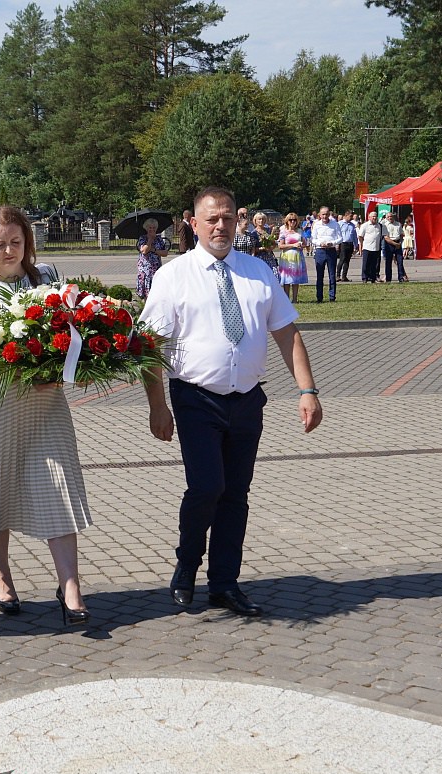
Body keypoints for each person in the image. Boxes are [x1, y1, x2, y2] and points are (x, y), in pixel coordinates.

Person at [139, 187, 323, 618]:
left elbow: (286, 333)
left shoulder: (258, 271)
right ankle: (187, 565)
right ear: (194, 224)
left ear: (236, 221)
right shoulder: (174, 276)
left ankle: (224, 583)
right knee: (207, 487)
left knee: (236, 494)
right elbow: (149, 345)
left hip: (247, 401)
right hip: (195, 399)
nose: (220, 226)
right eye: (211, 219)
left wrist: (308, 390)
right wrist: (156, 406)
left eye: (226, 218)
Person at [0, 205, 92, 625]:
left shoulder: (46, 279)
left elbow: (69, 336)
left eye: (15, 242)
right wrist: (26, 372)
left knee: (60, 488)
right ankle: (0, 574)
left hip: (46, 407)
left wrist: (64, 368)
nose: (8, 250)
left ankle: (71, 589)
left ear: (27, 242)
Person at [311, 206, 342, 302]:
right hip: (320, 251)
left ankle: (332, 297)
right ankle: (319, 297)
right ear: (320, 215)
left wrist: (332, 243)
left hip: (331, 251)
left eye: (326, 214)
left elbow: (340, 238)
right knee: (320, 275)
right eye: (323, 214)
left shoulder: (335, 224)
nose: (325, 216)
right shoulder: (316, 225)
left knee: (332, 275)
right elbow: (313, 239)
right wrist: (320, 243)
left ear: (329, 214)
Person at [136, 216, 170, 299]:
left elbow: (165, 253)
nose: (152, 229)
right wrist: (150, 239)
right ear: (146, 228)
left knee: (156, 294)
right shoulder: (142, 238)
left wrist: (154, 250)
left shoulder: (159, 239)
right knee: (147, 295)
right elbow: (144, 251)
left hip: (156, 269)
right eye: (150, 227)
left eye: (154, 227)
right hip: (145, 270)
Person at [276, 213, 308, 302]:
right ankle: (286, 299)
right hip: (287, 257)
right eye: (290, 220)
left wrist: (302, 245)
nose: (292, 222)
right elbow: (280, 246)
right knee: (287, 278)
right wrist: (293, 245)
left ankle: (295, 299)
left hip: (297, 256)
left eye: (294, 220)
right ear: (287, 221)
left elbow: (305, 243)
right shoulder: (283, 232)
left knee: (295, 278)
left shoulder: (300, 231)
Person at [357, 211, 382, 283]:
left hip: (376, 248)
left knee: (374, 264)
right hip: (367, 247)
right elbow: (360, 236)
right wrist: (362, 244)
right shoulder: (365, 225)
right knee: (366, 264)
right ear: (369, 217)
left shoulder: (379, 226)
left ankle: (372, 278)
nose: (374, 217)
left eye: (375, 216)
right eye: (373, 216)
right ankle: (365, 277)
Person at [381, 211, 406, 282]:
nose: (390, 218)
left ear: (393, 217)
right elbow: (386, 237)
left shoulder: (398, 224)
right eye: (388, 217)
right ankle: (388, 279)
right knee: (388, 262)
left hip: (397, 242)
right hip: (389, 244)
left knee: (400, 261)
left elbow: (401, 234)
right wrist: (395, 244)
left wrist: (400, 242)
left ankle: (401, 277)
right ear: (386, 218)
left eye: (391, 216)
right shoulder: (384, 225)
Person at [337, 210, 358, 282]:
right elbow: (337, 234)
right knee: (342, 259)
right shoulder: (340, 224)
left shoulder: (352, 225)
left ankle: (344, 276)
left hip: (350, 243)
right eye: (350, 216)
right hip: (343, 243)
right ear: (346, 216)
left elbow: (354, 235)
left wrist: (356, 244)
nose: (351, 218)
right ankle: (337, 276)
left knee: (347, 261)